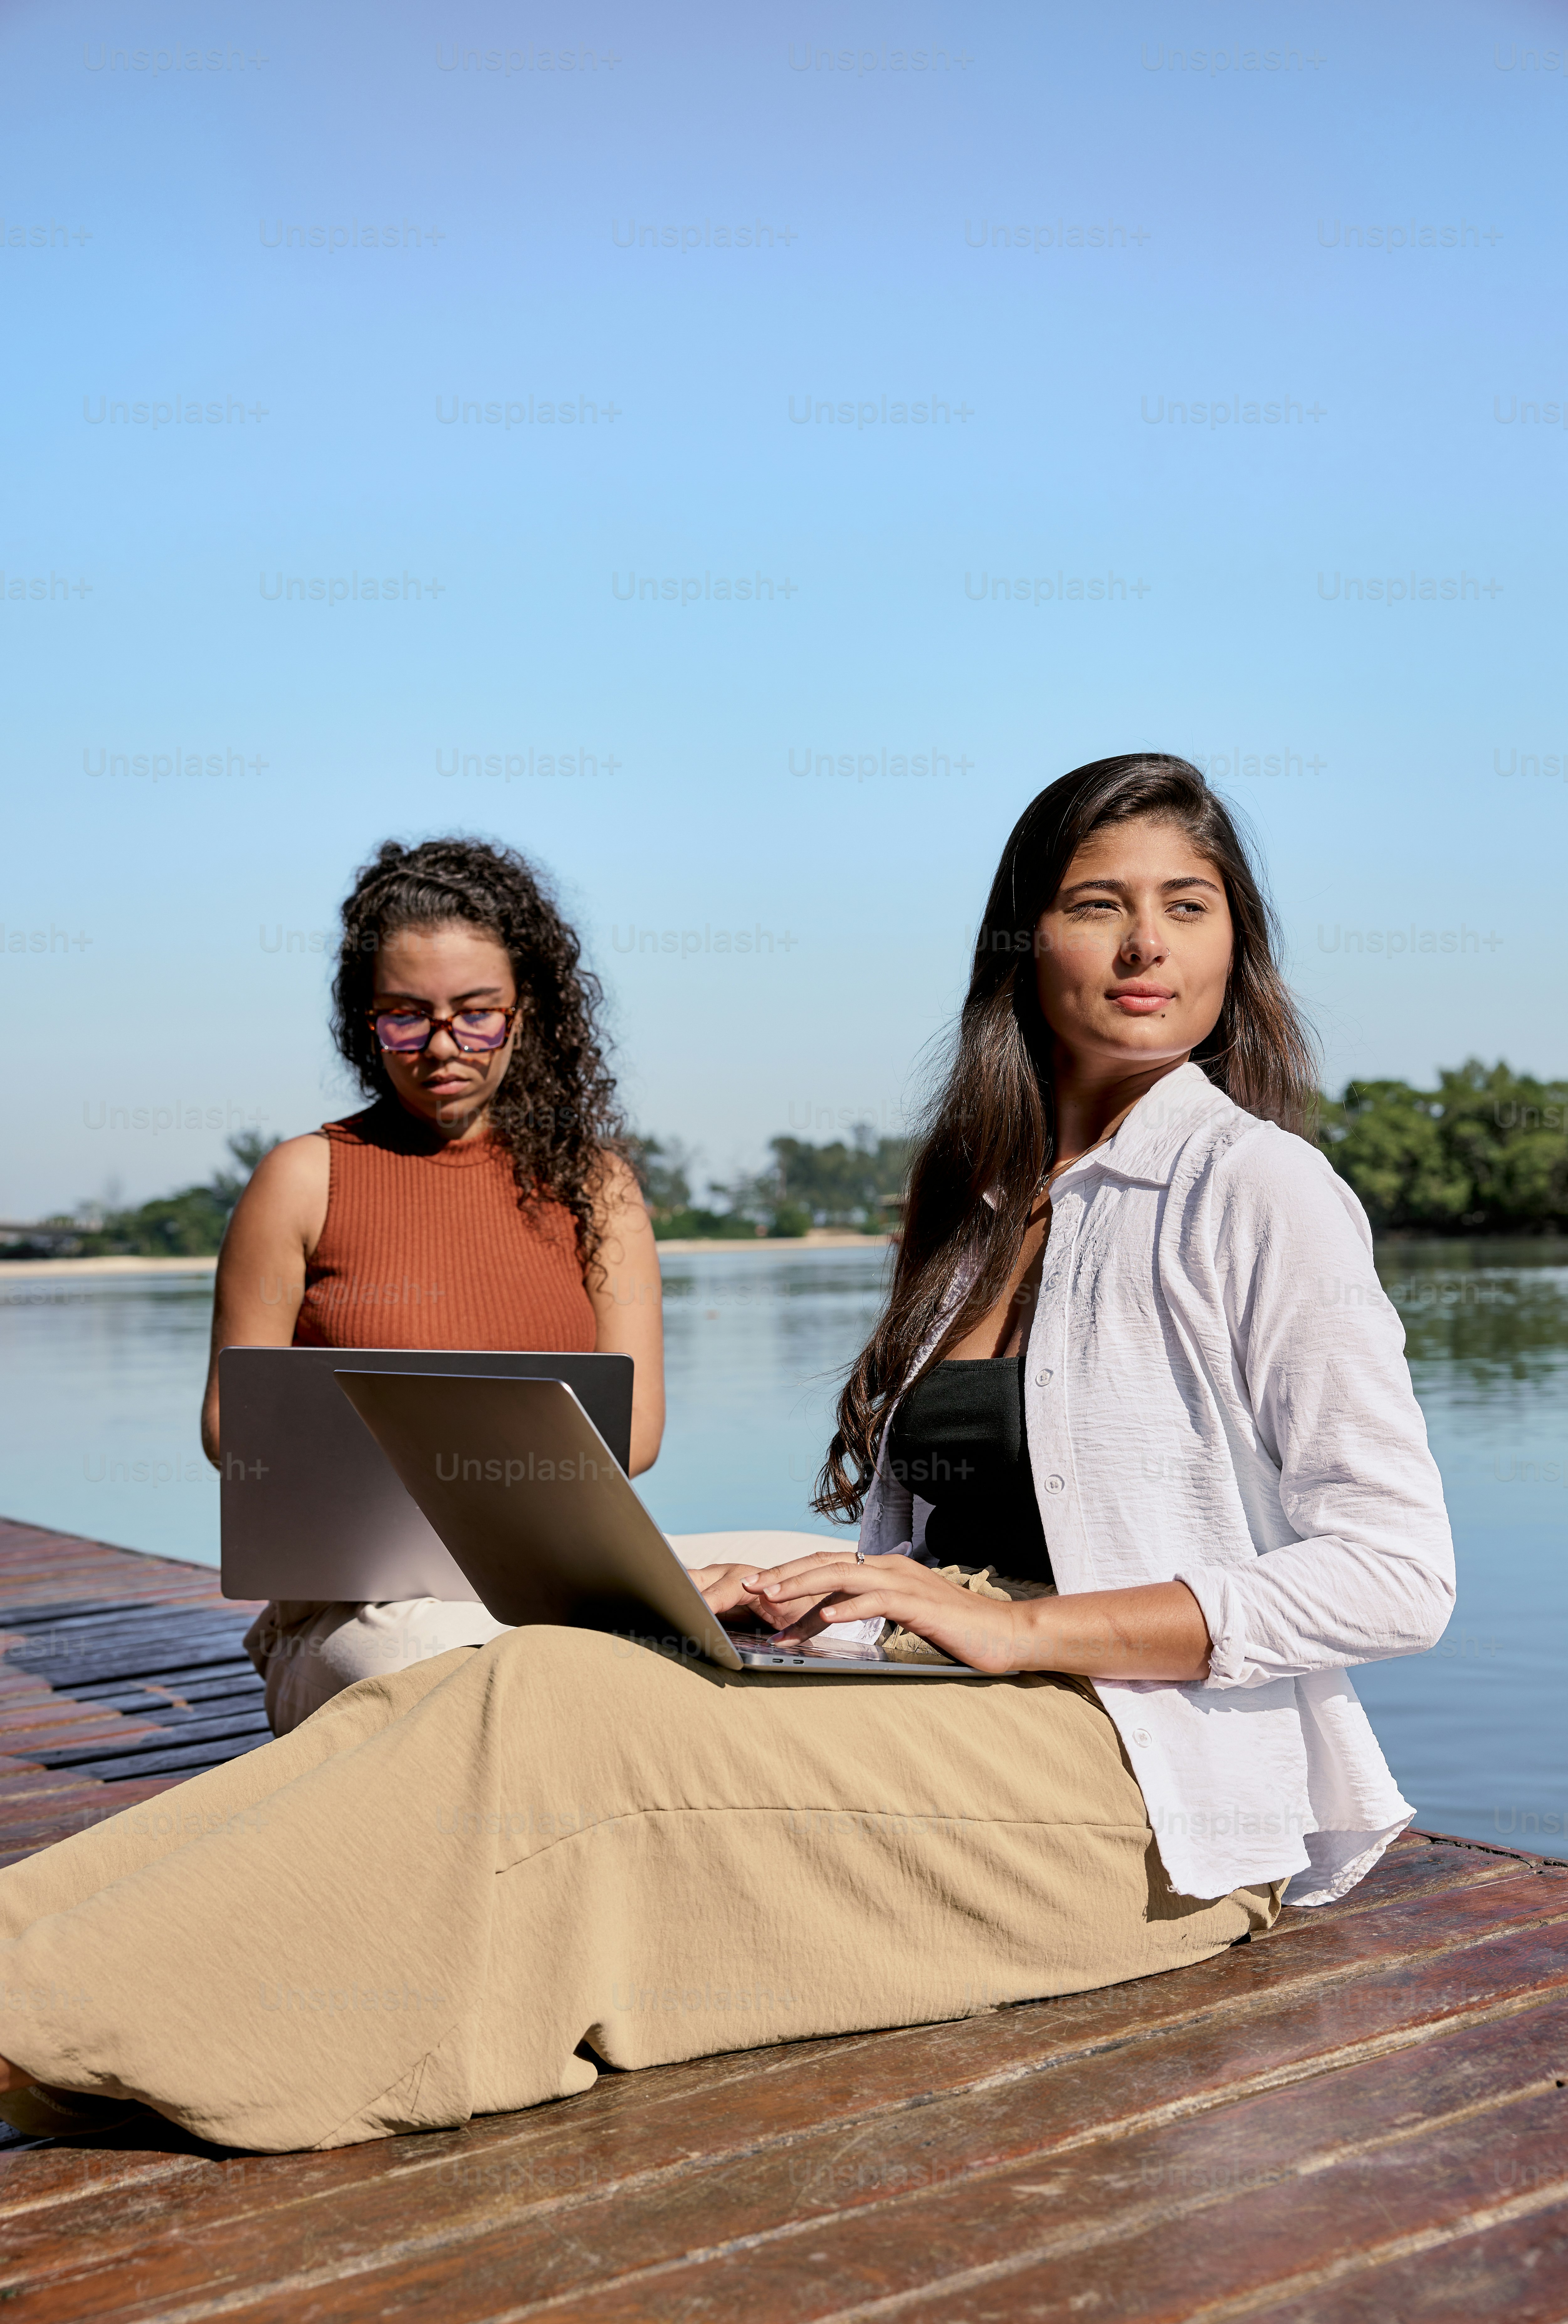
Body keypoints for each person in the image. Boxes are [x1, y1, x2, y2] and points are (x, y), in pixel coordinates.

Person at [0, 756, 1454, 2154]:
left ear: (1235, 943)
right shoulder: (983, 1208)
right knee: (547, 1678)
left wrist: (1021, 1630)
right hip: (934, 1704)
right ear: (1025, 945)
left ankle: (70, 2012)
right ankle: (84, 2008)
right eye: (1098, 904)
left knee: (561, 1724)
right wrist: (825, 1593)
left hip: (1141, 1790)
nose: (1146, 945)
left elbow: (1398, 1577)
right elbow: (936, 1554)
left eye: (1188, 905)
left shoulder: (1262, 1192)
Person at [201, 836, 665, 1730]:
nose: (442, 1045)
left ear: (524, 1014)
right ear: (364, 1020)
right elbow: (235, 1425)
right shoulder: (303, 1178)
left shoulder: (598, 1187)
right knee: (441, 1676)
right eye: (405, 1015)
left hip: (548, 1586)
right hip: (355, 1610)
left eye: (477, 1012)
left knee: (786, 1587)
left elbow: (633, 1434)